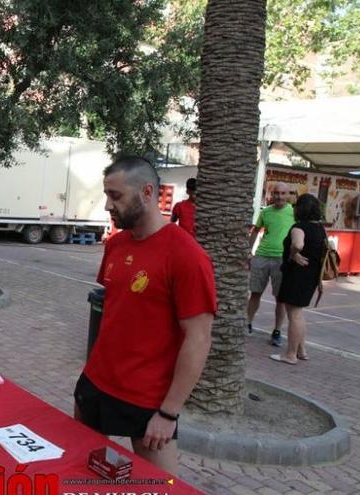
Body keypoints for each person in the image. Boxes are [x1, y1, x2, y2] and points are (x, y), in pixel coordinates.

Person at [73, 156, 215, 474]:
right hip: (95, 383)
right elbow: (118, 310)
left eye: (116, 196)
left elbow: (199, 337)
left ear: (147, 192)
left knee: (158, 485)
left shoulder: (187, 256)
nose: (108, 205)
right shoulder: (117, 244)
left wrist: (169, 413)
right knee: (81, 472)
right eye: (107, 194)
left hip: (147, 398)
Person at [270, 194, 327, 365]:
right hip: (311, 275)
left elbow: (298, 244)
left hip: (297, 274)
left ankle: (291, 354)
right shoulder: (319, 228)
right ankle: (301, 350)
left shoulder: (299, 227)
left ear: (300, 209)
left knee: (294, 314)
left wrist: (294, 253)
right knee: (299, 314)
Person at [248, 182, 293, 346]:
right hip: (261, 256)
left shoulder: (293, 212)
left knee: (280, 299)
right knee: (255, 293)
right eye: (276, 193)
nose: (279, 196)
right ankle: (248, 323)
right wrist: (249, 251)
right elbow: (255, 231)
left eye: (282, 193)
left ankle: (277, 331)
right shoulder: (265, 212)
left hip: (282, 259)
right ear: (271, 195)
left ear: (288, 195)